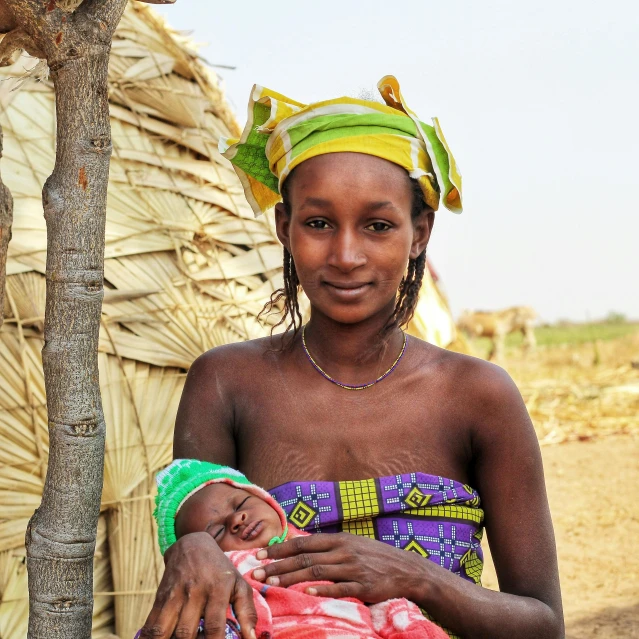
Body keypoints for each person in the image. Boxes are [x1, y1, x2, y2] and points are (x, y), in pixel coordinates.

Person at [140, 76, 563, 639]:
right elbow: (194, 520)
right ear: (284, 227)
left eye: (378, 225)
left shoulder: (477, 394)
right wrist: (192, 545)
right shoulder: (225, 382)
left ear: (419, 233)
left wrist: (418, 578)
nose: (345, 254)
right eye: (318, 223)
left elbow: (542, 623)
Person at [150, 459, 449, 639]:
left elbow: (388, 607)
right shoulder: (228, 575)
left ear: (267, 500)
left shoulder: (329, 552)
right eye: (215, 532)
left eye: (241, 504)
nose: (236, 519)